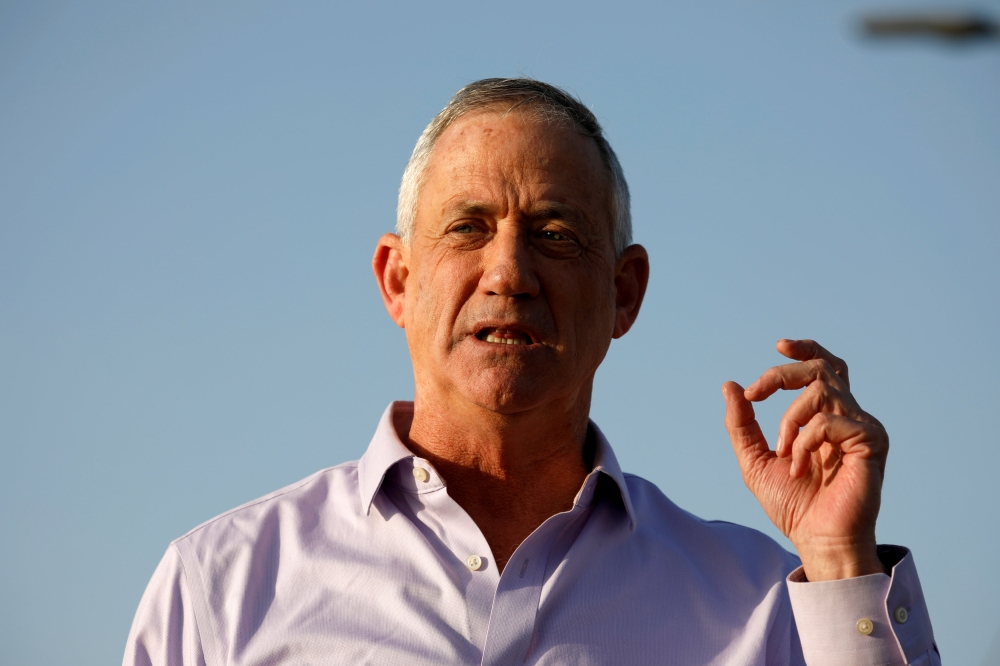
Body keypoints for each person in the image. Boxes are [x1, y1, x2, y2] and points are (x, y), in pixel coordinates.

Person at [123, 78, 939, 665]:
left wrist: (839, 563)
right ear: (397, 281)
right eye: (468, 227)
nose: (508, 271)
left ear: (625, 294)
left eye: (554, 233)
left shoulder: (768, 602)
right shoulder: (220, 585)